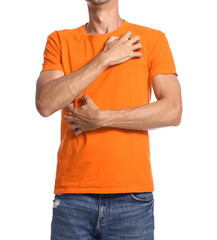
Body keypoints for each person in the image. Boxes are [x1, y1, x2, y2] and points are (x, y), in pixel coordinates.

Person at [35, 0, 182, 239]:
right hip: (73, 197)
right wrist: (105, 58)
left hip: (132, 198)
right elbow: (45, 103)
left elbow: (173, 110)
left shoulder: (152, 39)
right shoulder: (60, 40)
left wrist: (102, 118)